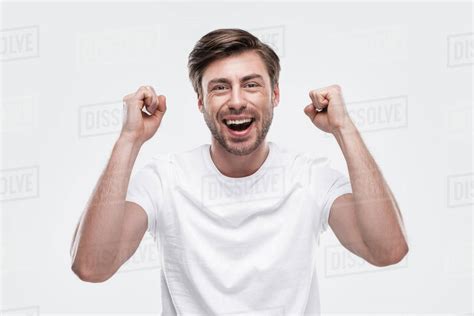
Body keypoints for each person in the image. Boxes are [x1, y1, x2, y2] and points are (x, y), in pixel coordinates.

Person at [70, 28, 409, 315]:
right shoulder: (166, 179)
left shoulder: (309, 177)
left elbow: (387, 250)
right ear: (201, 101)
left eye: (251, 84)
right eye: (219, 87)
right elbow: (91, 266)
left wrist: (344, 128)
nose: (236, 101)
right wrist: (129, 140)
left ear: (275, 95)